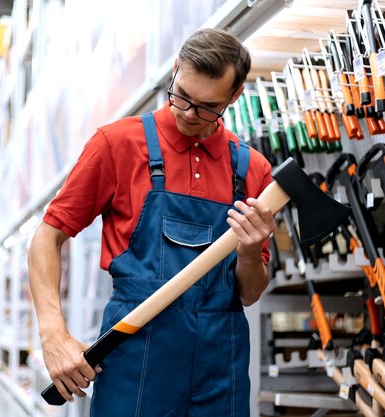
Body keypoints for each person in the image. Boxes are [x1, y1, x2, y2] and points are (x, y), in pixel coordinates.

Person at [28, 28, 275, 417]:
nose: (188, 115)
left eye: (208, 107)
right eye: (182, 97)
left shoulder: (252, 169)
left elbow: (249, 293)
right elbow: (48, 235)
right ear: (175, 70)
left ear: (235, 96)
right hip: (136, 353)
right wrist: (52, 333)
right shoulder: (117, 145)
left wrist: (248, 252)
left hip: (221, 363)